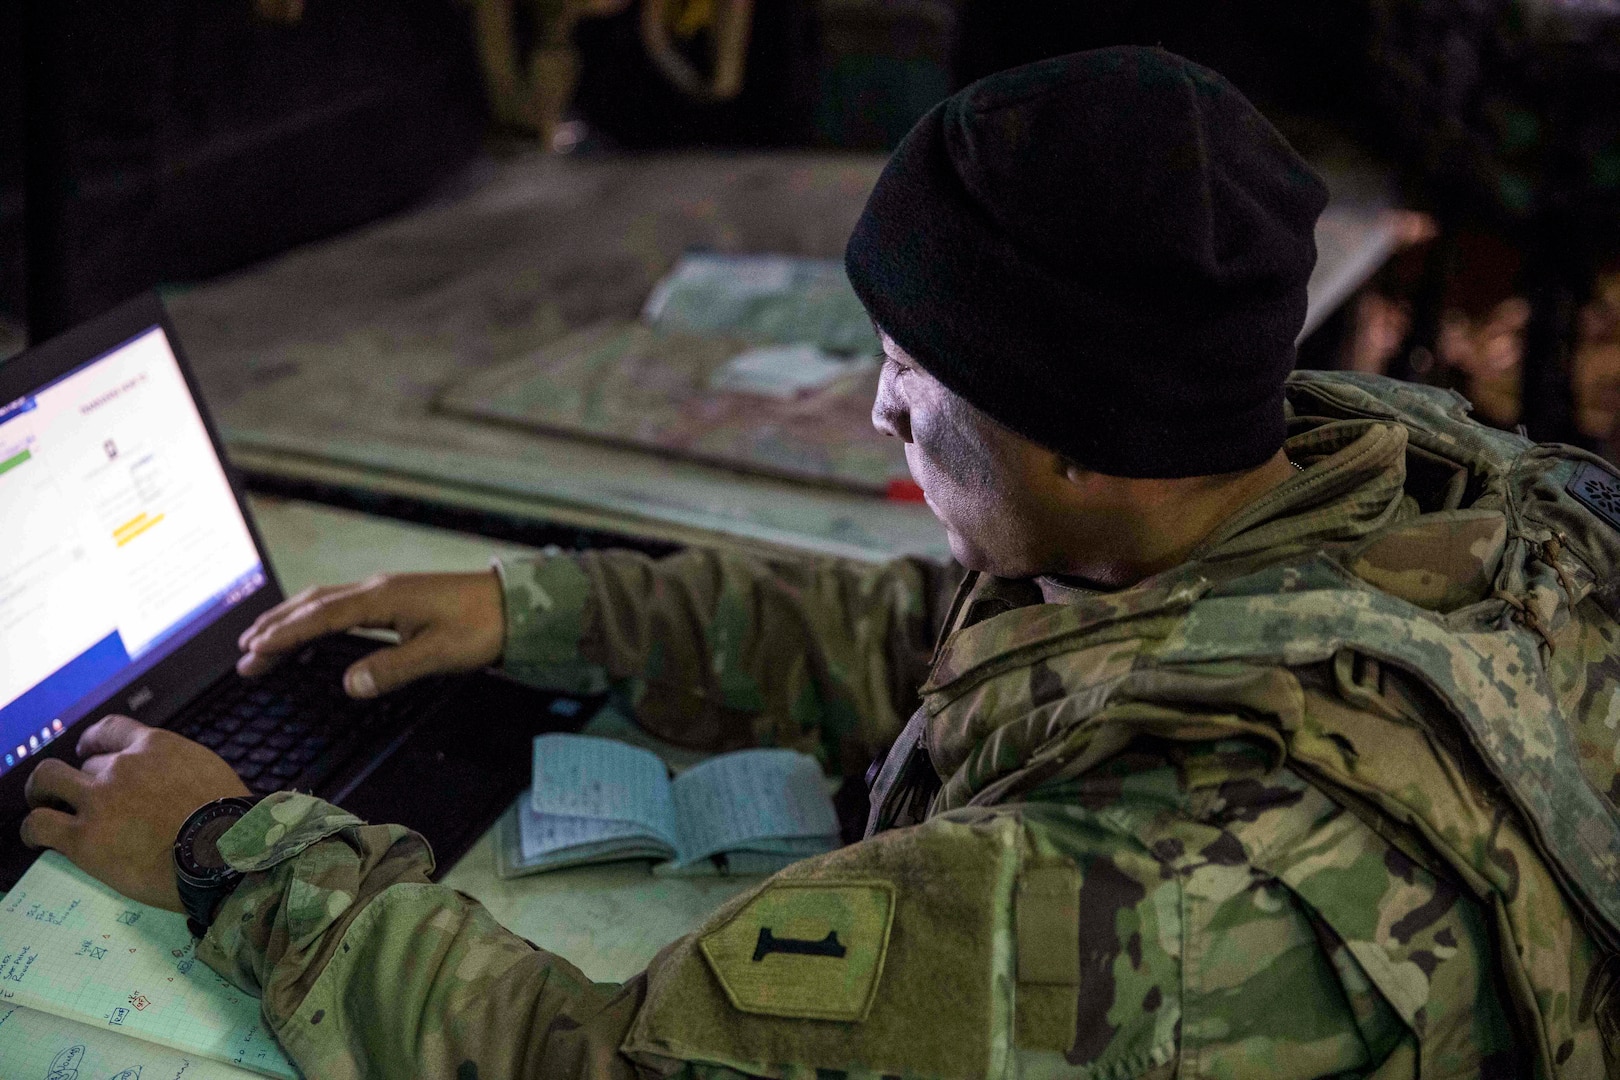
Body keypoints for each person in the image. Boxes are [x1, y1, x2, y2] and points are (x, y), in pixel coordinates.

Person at [18, 48, 1620, 1078]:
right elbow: (960, 632)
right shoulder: (1353, 478)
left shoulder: (1151, 902)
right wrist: (544, 605)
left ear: (1072, 439)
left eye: (917, 385)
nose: (874, 408)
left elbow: (602, 1065)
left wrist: (241, 854)